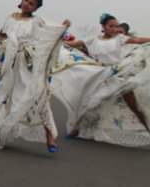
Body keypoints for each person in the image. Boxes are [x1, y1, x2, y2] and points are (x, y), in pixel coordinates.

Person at [0, 0, 70, 153]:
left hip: (28, 63)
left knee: (37, 96)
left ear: (36, 8)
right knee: (6, 98)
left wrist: (62, 28)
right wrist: (0, 43)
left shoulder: (37, 21)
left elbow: (49, 35)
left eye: (31, 4)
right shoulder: (10, 18)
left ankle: (50, 136)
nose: (27, 4)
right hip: (10, 63)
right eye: (26, 1)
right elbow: (2, 34)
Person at [53, 14, 150, 146]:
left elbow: (138, 40)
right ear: (103, 27)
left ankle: (147, 128)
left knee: (134, 105)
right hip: (99, 76)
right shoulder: (93, 40)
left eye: (116, 26)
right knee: (90, 103)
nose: (115, 29)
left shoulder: (120, 39)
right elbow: (71, 45)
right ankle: (76, 130)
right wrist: (55, 39)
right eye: (111, 26)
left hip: (118, 75)